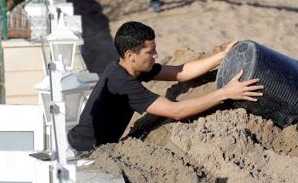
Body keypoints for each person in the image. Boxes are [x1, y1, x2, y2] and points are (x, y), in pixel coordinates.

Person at [67, 21, 263, 152]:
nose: (156, 55)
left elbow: (180, 72)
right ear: (130, 55)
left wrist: (222, 56)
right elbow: (175, 111)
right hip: (83, 152)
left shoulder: (131, 67)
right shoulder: (123, 82)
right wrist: (225, 93)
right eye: (150, 52)